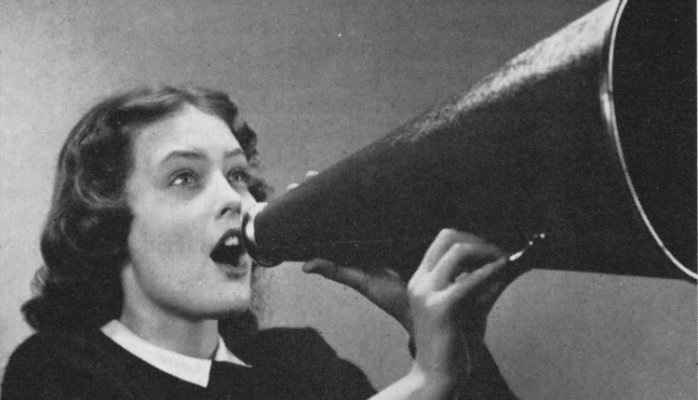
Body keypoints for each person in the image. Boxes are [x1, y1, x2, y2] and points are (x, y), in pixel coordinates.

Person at [1, 85, 522, 400]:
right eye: (184, 177)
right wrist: (426, 381)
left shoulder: (303, 363)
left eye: (238, 176)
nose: (235, 199)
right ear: (108, 224)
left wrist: (459, 348)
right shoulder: (56, 372)